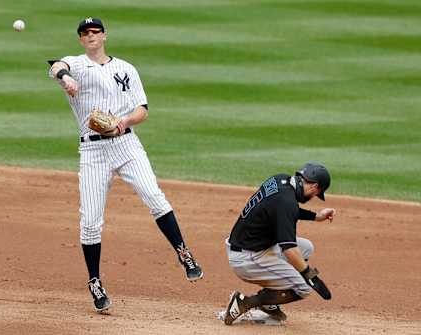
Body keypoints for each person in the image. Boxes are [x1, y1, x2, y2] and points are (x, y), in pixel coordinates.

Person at [48, 17, 203, 313]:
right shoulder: (76, 65)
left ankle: (183, 253)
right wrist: (65, 78)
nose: (90, 36)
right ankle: (94, 281)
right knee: (91, 221)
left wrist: (124, 122)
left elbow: (142, 109)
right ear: (81, 39)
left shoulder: (126, 69)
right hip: (92, 152)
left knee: (155, 197)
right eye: (85, 33)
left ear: (105, 35)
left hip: (126, 144)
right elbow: (56, 65)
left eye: (95, 31)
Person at [223, 162, 335, 325]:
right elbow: (289, 249)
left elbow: (282, 210)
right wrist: (310, 276)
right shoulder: (287, 203)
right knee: (303, 288)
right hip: (247, 258)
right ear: (315, 187)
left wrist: (315, 216)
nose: (312, 199)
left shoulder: (280, 180)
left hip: (248, 244)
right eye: (317, 194)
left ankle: (270, 301)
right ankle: (245, 303)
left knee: (306, 248)